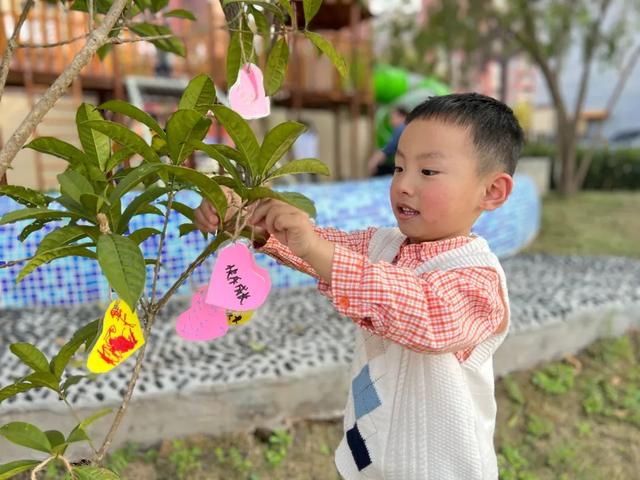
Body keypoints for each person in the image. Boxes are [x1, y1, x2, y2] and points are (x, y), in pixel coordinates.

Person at [194, 93, 524, 479]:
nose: (403, 185)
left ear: (492, 192)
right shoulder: (382, 245)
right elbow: (320, 249)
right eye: (399, 167)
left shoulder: (476, 278)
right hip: (371, 454)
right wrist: (247, 221)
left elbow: (425, 314)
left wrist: (315, 247)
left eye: (428, 172)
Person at [367, 106, 408, 176]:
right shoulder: (407, 128)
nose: (390, 122)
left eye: (392, 118)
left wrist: (373, 162)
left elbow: (388, 148)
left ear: (402, 117)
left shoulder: (401, 128)